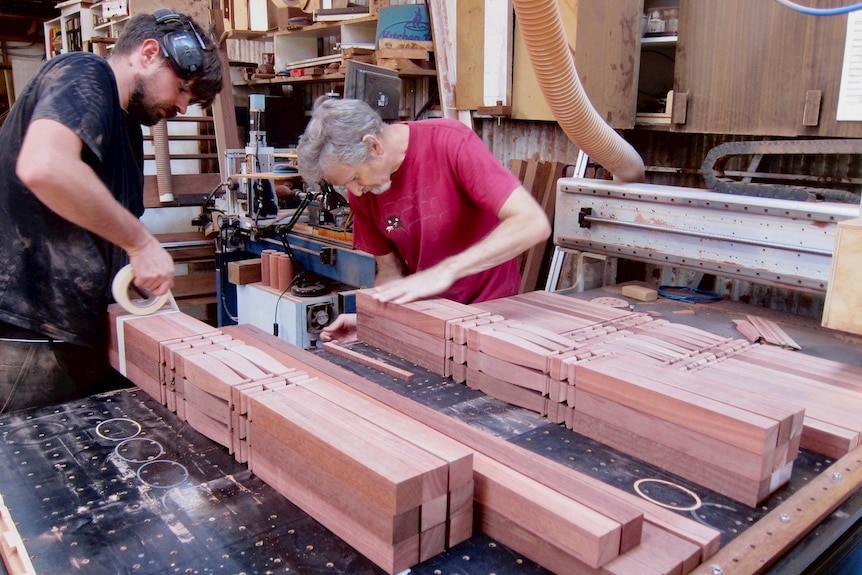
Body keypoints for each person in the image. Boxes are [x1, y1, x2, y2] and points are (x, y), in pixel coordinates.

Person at [0, 10, 224, 413]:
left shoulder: (128, 129)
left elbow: (104, 227)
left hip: (77, 335)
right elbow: (44, 166)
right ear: (148, 53)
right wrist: (141, 244)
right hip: (26, 339)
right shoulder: (83, 72)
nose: (185, 107)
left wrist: (143, 282)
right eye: (183, 87)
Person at [296, 96, 551, 344]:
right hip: (431, 319)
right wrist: (372, 323)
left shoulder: (450, 142)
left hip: (492, 312)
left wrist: (446, 271)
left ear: (374, 146)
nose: (357, 191)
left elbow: (532, 222)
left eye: (354, 177)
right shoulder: (362, 194)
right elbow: (390, 270)